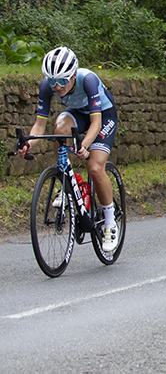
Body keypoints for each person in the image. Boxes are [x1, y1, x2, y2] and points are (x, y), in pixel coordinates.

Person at [18, 47, 120, 252]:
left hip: (102, 116)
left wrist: (84, 145)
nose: (57, 86)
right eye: (52, 81)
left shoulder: (88, 80)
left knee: (94, 167)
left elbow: (96, 123)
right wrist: (29, 144)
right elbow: (39, 126)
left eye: (63, 81)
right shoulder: (47, 87)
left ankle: (110, 222)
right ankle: (67, 182)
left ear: (73, 75)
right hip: (76, 114)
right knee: (60, 128)